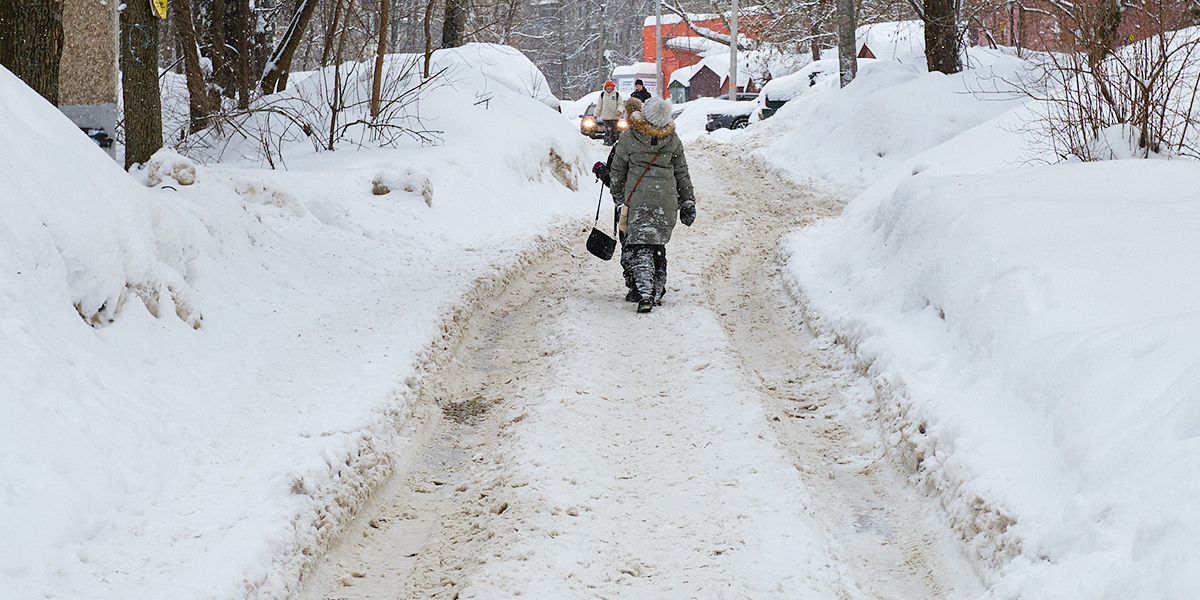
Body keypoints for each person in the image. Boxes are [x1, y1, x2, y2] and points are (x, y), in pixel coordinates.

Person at [609, 97, 696, 313]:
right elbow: (681, 172)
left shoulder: (629, 137)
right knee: (657, 244)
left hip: (636, 200)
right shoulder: (673, 138)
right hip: (666, 200)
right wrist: (687, 199)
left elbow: (617, 172)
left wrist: (618, 197)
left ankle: (644, 293)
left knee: (639, 245)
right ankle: (657, 290)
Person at [595, 80, 622, 146]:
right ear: (605, 88)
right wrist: (596, 114)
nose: (609, 90)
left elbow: (620, 104)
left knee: (614, 130)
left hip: (614, 117)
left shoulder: (617, 95)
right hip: (605, 117)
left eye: (610, 88)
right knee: (608, 130)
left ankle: (613, 142)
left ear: (613, 88)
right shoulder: (602, 95)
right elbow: (599, 106)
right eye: (608, 88)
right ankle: (607, 141)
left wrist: (619, 110)